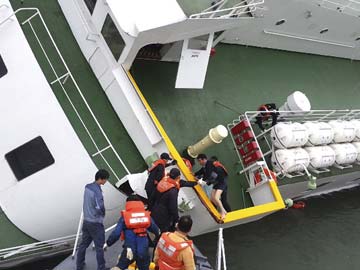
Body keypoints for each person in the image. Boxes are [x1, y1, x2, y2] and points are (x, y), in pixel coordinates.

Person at [106, 195, 160, 270]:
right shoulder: (146, 216)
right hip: (143, 249)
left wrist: (108, 243)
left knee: (120, 267)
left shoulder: (125, 217)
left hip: (129, 249)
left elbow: (116, 233)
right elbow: (155, 229)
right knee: (144, 267)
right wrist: (158, 235)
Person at [150, 168, 204, 232]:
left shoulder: (163, 180)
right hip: (164, 214)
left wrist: (150, 207)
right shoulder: (173, 191)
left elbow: (152, 196)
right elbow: (173, 207)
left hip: (155, 208)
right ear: (178, 177)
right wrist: (176, 219)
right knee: (163, 230)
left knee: (153, 225)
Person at [76, 169, 109, 270]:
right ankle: (101, 267)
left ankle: (79, 265)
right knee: (99, 247)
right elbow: (100, 206)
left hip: (86, 221)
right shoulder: (97, 191)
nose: (106, 181)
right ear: (101, 179)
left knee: (83, 244)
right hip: (95, 223)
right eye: (106, 179)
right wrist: (103, 213)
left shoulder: (88, 187)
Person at [195, 154, 230, 219]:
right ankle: (223, 209)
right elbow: (203, 171)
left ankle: (223, 213)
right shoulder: (206, 165)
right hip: (217, 182)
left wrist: (201, 181)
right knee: (212, 198)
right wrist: (195, 174)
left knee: (216, 198)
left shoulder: (209, 164)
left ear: (204, 159)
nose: (199, 162)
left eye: (199, 161)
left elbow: (208, 175)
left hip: (221, 182)